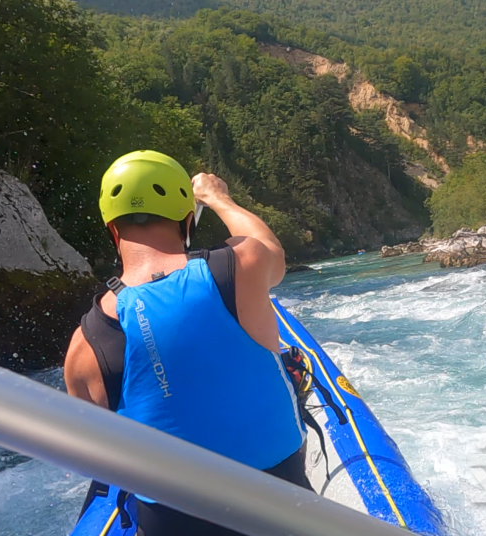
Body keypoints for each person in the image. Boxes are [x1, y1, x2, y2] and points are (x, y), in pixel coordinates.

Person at [63, 150, 310, 536]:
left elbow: (96, 462)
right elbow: (271, 251)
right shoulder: (241, 266)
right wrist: (217, 197)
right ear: (188, 220)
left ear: (111, 228)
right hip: (287, 515)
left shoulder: (83, 348)